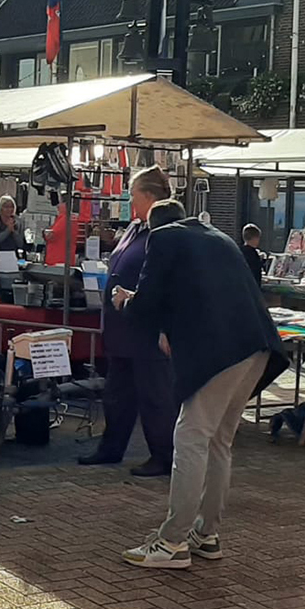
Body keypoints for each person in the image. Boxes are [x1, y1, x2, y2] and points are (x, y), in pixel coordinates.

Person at [113, 209, 287, 568]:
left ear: (153, 224)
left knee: (191, 437)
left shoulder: (163, 237)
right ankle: (205, 534)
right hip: (257, 345)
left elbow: (147, 303)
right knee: (219, 441)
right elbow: (192, 296)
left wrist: (124, 300)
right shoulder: (216, 237)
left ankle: (172, 541)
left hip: (219, 352)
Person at [80, 166, 179, 477]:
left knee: (155, 397)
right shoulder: (137, 227)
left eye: (133, 194)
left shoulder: (168, 231)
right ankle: (111, 448)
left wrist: (166, 328)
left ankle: (163, 455)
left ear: (149, 196)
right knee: (117, 394)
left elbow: (171, 283)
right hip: (122, 330)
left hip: (147, 331)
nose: (129, 200)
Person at [43, 196, 76, 266]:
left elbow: (51, 235)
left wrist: (44, 232)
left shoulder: (65, 219)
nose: (58, 206)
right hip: (64, 260)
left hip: (58, 261)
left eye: (60, 203)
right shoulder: (71, 218)